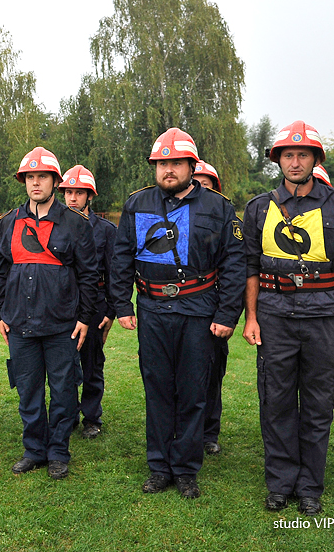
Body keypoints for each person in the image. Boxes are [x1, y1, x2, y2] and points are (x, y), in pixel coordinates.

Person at [111, 128, 245, 499]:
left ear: (191, 164)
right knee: (157, 389)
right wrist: (123, 304)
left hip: (199, 311)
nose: (168, 170)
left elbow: (234, 265)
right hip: (152, 309)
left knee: (192, 391)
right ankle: (159, 467)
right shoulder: (137, 204)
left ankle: (186, 469)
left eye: (176, 163)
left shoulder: (218, 207)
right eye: (162, 164)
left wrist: (227, 314)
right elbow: (121, 256)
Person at [242, 120, 334, 515]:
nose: (295, 162)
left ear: (315, 159)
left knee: (317, 402)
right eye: (288, 155)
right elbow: (249, 267)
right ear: (278, 160)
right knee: (275, 401)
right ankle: (280, 484)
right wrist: (252, 317)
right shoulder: (259, 207)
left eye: (303, 154)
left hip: (324, 315)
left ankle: (310, 486)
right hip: (275, 315)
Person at [0, 147, 99, 480]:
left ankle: (58, 452)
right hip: (20, 322)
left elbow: (90, 274)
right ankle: (34, 450)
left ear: (55, 181)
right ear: (24, 181)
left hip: (62, 324)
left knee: (65, 390)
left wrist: (83, 318)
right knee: (28, 390)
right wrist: (2, 312)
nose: (36, 183)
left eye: (42, 177)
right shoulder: (8, 222)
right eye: (30, 177)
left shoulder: (75, 224)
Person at [59, 165, 116, 440]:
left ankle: (92, 417)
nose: (72, 198)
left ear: (89, 196)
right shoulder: (54, 226)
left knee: (92, 362)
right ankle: (66, 414)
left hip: (94, 304)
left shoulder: (106, 230)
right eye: (69, 192)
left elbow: (116, 274)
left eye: (79, 193)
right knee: (63, 364)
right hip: (62, 304)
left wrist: (112, 310)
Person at [191, 160, 236, 456]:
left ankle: (209, 430)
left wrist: (227, 313)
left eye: (205, 184)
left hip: (216, 305)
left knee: (211, 372)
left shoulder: (223, 216)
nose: (199, 187)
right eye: (196, 182)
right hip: (191, 305)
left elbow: (235, 267)